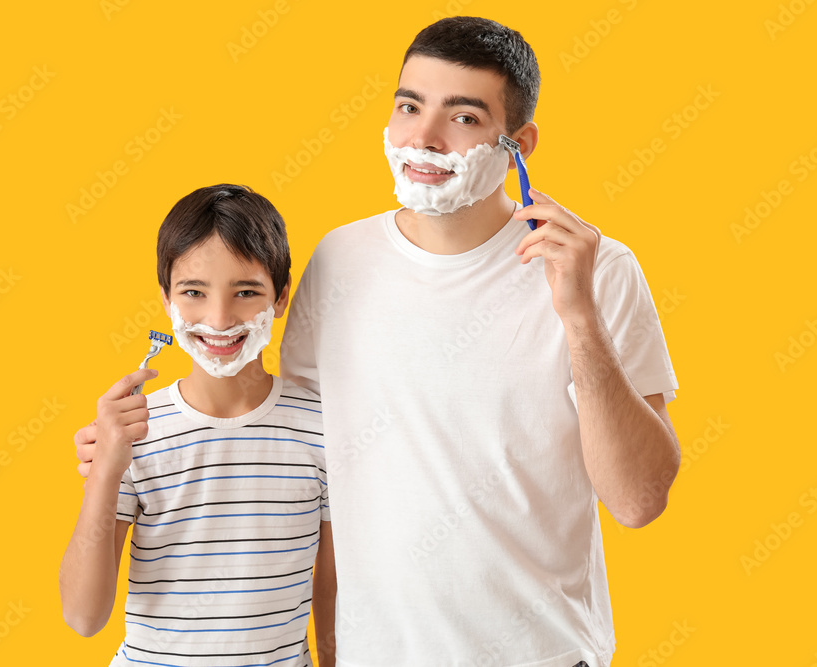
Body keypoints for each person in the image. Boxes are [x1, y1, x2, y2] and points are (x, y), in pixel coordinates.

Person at [278, 16, 680, 667]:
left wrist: (578, 315)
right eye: (409, 106)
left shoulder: (600, 268)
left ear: (517, 143)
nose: (424, 138)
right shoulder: (339, 261)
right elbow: (307, 478)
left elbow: (638, 499)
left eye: (463, 118)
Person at [60, 184, 335, 667]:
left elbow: (332, 589)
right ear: (166, 301)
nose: (220, 318)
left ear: (281, 298)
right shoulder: (132, 432)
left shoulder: (323, 428)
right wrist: (106, 468)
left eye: (246, 292)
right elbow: (84, 617)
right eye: (194, 292)